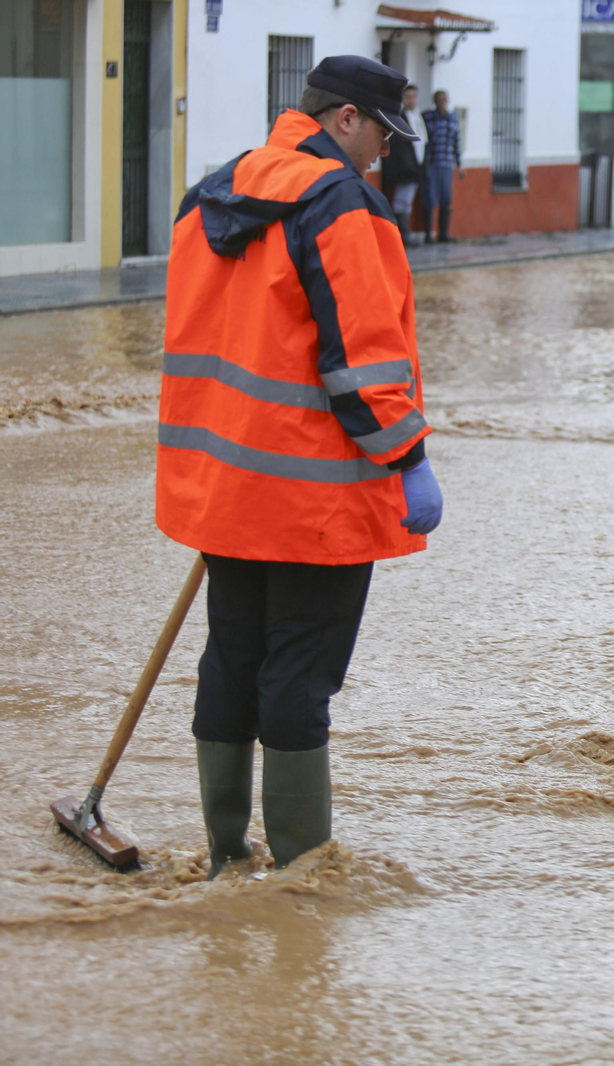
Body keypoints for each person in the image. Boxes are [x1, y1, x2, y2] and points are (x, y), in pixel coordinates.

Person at [157, 55, 443, 877]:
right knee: (299, 674)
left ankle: (223, 852)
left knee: (233, 658)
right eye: (381, 134)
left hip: (224, 486)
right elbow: (363, 358)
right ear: (343, 119)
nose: (384, 153)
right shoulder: (341, 206)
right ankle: (300, 873)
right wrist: (408, 458)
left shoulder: (212, 193)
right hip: (315, 497)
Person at [380, 84, 426, 243]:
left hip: (417, 166)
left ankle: (405, 234)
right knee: (402, 200)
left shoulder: (419, 117)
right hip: (405, 168)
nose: (411, 99)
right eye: (408, 96)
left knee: (408, 200)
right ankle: (403, 235)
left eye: (413, 96)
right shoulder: (400, 118)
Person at [420, 88, 462, 243]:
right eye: (438, 100)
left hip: (446, 164)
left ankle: (443, 233)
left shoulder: (453, 118)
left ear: (447, 101)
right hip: (431, 164)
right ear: (434, 101)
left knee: (446, 198)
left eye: (444, 99)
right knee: (430, 199)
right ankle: (428, 234)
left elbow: (457, 140)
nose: (441, 102)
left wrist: (460, 164)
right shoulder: (428, 117)